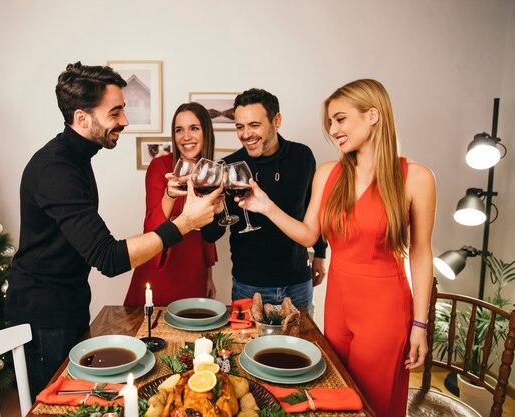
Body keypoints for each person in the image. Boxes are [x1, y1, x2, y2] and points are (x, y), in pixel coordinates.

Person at [5, 63, 221, 399]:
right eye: (116, 111)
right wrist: (183, 224)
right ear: (82, 119)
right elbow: (108, 258)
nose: (124, 121)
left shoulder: (76, 159)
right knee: (56, 403)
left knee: (78, 397)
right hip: (44, 313)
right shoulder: (56, 168)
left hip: (70, 302)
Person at [238, 79, 435, 416]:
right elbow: (308, 234)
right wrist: (266, 206)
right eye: (330, 122)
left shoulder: (416, 177)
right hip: (339, 305)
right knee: (339, 396)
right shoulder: (329, 173)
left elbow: (420, 254)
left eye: (340, 119)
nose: (333, 129)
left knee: (372, 402)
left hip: (384, 308)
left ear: (373, 115)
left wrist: (420, 325)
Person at [201, 88, 327, 312]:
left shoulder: (302, 156)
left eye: (254, 125)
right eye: (240, 126)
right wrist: (217, 209)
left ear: (276, 121)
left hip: (298, 281)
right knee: (248, 346)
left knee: (298, 346)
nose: (245, 134)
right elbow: (211, 235)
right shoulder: (228, 166)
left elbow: (311, 208)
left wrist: (320, 253)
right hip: (249, 285)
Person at [124, 102, 219, 305]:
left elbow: (207, 232)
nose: (186, 137)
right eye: (179, 130)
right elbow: (152, 226)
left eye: (194, 128)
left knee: (192, 327)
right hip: (162, 262)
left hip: (195, 266)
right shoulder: (160, 166)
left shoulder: (211, 171)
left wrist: (209, 274)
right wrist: (169, 195)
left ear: (206, 132)